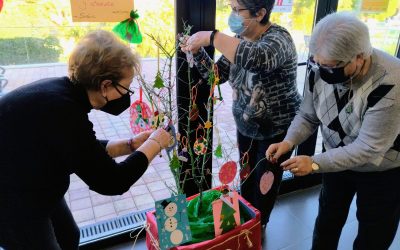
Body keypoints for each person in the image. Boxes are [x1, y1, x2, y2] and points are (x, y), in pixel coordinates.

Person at [0, 30, 171, 250]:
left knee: (69, 236)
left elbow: (79, 148)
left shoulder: (63, 94)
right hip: (12, 200)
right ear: (105, 85)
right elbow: (112, 181)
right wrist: (154, 144)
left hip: (33, 183)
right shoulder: (63, 109)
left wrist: (131, 145)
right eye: (125, 88)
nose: (126, 95)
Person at [266, 12, 400, 250]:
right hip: (335, 159)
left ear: (359, 57)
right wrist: (288, 142)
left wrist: (314, 163)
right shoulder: (319, 66)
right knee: (328, 217)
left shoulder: (391, 81)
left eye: (330, 66)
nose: (321, 71)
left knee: (374, 231)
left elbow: (367, 148)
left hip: (382, 169)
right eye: (318, 62)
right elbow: (308, 115)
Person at [181, 0, 301, 233]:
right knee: (246, 177)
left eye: (238, 10)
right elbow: (215, 76)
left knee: (264, 182)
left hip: (275, 130)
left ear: (260, 13)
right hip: (246, 125)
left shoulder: (279, 40)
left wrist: (212, 37)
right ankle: (247, 221)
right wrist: (197, 53)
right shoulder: (239, 41)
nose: (232, 15)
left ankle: (258, 226)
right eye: (231, 9)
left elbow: (257, 58)